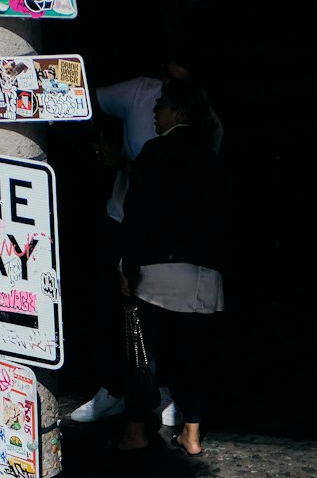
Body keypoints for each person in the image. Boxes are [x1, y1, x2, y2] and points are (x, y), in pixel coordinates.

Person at [71, 46, 223, 425]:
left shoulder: (204, 125)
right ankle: (120, 393)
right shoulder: (139, 92)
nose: (167, 88)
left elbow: (178, 184)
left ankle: (153, 406)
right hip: (129, 223)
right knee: (121, 319)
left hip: (161, 240)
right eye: (171, 73)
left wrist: (122, 164)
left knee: (157, 328)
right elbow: (84, 98)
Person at [116, 77, 227, 456]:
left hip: (160, 271)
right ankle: (192, 435)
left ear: (178, 112)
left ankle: (135, 431)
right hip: (204, 275)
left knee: (141, 350)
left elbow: (138, 216)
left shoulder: (154, 152)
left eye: (161, 105)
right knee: (194, 356)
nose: (154, 110)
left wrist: (127, 266)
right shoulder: (211, 155)